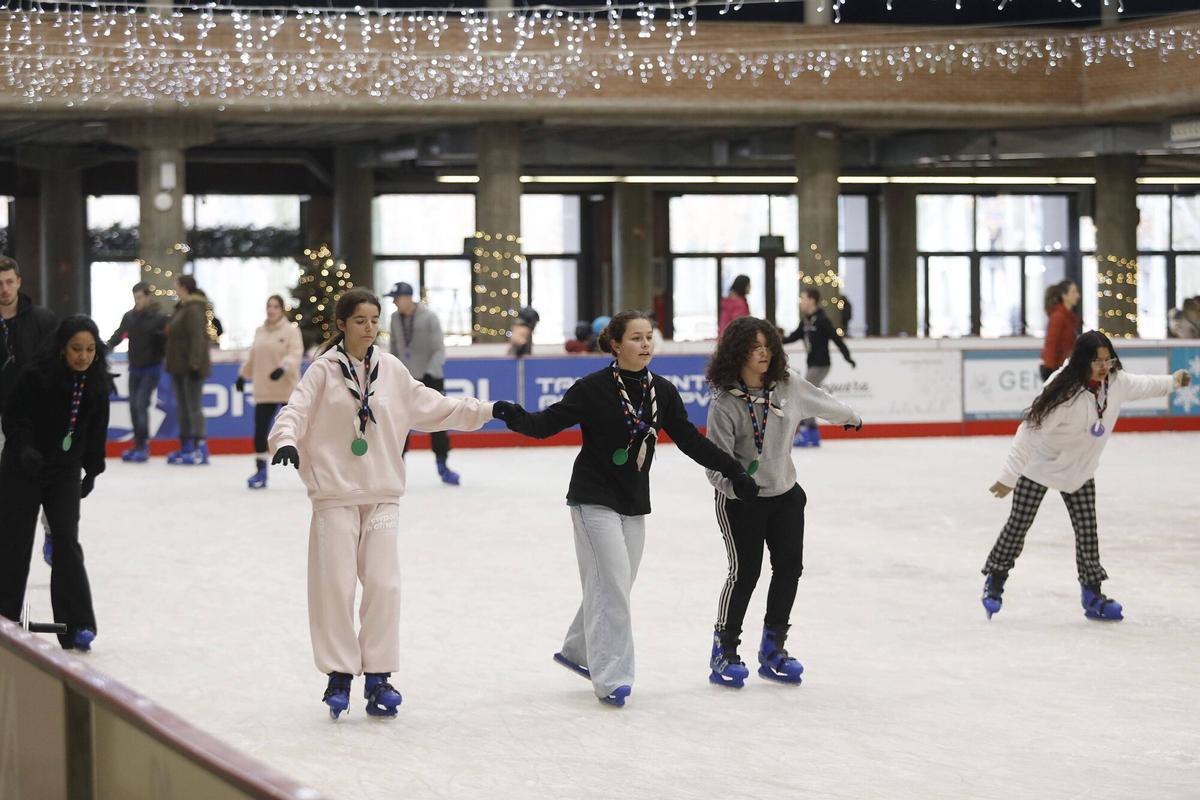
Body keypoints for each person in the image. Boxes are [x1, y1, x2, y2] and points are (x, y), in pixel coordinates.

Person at [492, 310, 760, 708]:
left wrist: (733, 470)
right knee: (613, 585)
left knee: (614, 584)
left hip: (633, 501)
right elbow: (546, 423)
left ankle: (578, 651)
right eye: (636, 338)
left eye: (649, 337)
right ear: (615, 344)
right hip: (592, 498)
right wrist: (516, 417)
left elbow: (690, 440)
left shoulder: (663, 392)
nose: (646, 344)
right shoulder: (592, 388)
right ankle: (612, 676)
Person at [268, 288, 503, 718]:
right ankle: (339, 674)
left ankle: (379, 678)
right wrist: (285, 441)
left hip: (382, 496)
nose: (370, 328)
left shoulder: (391, 369)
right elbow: (293, 413)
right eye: (360, 320)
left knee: (383, 585)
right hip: (335, 497)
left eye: (375, 320)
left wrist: (487, 409)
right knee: (335, 586)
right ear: (341, 325)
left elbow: (437, 407)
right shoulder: (322, 371)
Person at [980, 330, 1191, 622]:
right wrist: (1008, 476)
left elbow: (1143, 384)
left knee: (1087, 532)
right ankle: (996, 579)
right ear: (1083, 360)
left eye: (1108, 359)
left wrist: (1173, 381)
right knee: (1019, 526)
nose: (1104, 366)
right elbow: (1030, 430)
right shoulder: (1063, 391)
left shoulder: (1115, 383)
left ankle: (1092, 595)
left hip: (1080, 471)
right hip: (1041, 467)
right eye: (1097, 361)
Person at [704, 316, 862, 688]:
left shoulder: (787, 385)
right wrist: (736, 488)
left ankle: (773, 648)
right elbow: (713, 465)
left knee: (790, 568)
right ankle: (723, 650)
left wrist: (850, 417)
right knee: (745, 574)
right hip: (742, 501)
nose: (763, 353)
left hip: (785, 493)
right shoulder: (726, 403)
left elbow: (819, 401)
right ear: (737, 353)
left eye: (768, 346)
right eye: (754, 347)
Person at [0, 315, 110, 651]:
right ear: (63, 348)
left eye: (90, 350)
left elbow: (95, 432)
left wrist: (91, 470)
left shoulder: (96, 383)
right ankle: (5, 618)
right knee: (14, 543)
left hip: (63, 470)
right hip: (23, 467)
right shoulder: (36, 375)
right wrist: (25, 448)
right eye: (77, 349)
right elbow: (14, 418)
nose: (83, 356)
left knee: (66, 542)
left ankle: (77, 624)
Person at [0, 256, 59, 566]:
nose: (4, 289)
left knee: (43, 477)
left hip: (35, 416)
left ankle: (52, 535)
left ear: (19, 282)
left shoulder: (42, 319)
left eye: (10, 282)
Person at [385, 281, 461, 486]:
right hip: (404, 380)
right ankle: (396, 469)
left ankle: (443, 466)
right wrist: (392, 370)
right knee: (399, 425)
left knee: (438, 424)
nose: (394, 302)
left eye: (396, 298)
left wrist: (430, 374)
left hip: (430, 378)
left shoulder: (429, 317)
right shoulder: (394, 319)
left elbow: (438, 349)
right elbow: (394, 348)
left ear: (408, 297)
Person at [237, 295, 303, 489]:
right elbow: (253, 357)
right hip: (264, 388)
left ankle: (316, 470)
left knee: (300, 430)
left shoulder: (291, 331)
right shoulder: (260, 331)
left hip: (286, 388)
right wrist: (242, 375)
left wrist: (283, 367)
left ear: (282, 309)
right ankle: (260, 471)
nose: (271, 310)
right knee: (260, 431)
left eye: (275, 306)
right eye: (269, 306)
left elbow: (296, 353)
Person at [782, 288, 855, 448]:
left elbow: (836, 339)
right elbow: (793, 337)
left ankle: (809, 432)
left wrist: (847, 356)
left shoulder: (822, 320)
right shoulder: (806, 321)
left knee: (803, 394)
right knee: (807, 395)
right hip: (812, 364)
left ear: (812, 300)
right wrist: (775, 339)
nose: (801, 301)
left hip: (821, 364)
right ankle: (813, 434)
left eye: (803, 298)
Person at [107, 281, 167, 463]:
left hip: (152, 368)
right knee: (133, 406)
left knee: (141, 404)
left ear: (148, 297)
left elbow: (166, 343)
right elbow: (119, 335)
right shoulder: (130, 317)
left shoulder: (159, 318)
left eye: (140, 297)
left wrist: (162, 345)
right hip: (134, 368)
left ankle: (143, 446)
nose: (137, 301)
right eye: (135, 298)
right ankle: (138, 444)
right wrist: (105, 347)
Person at [164, 275, 213, 465]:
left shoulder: (193, 308)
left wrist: (194, 364)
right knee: (183, 408)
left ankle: (200, 446)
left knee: (193, 407)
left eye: (176, 286)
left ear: (183, 287)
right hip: (178, 366)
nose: (174, 289)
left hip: (191, 367)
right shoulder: (182, 307)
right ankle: (186, 445)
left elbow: (197, 339)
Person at [1040, 279, 1081, 381]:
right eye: (1073, 292)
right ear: (1064, 295)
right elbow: (1051, 343)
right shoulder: (1058, 317)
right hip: (1055, 368)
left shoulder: (1070, 318)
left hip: (1065, 367)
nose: (1077, 296)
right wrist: (1050, 370)